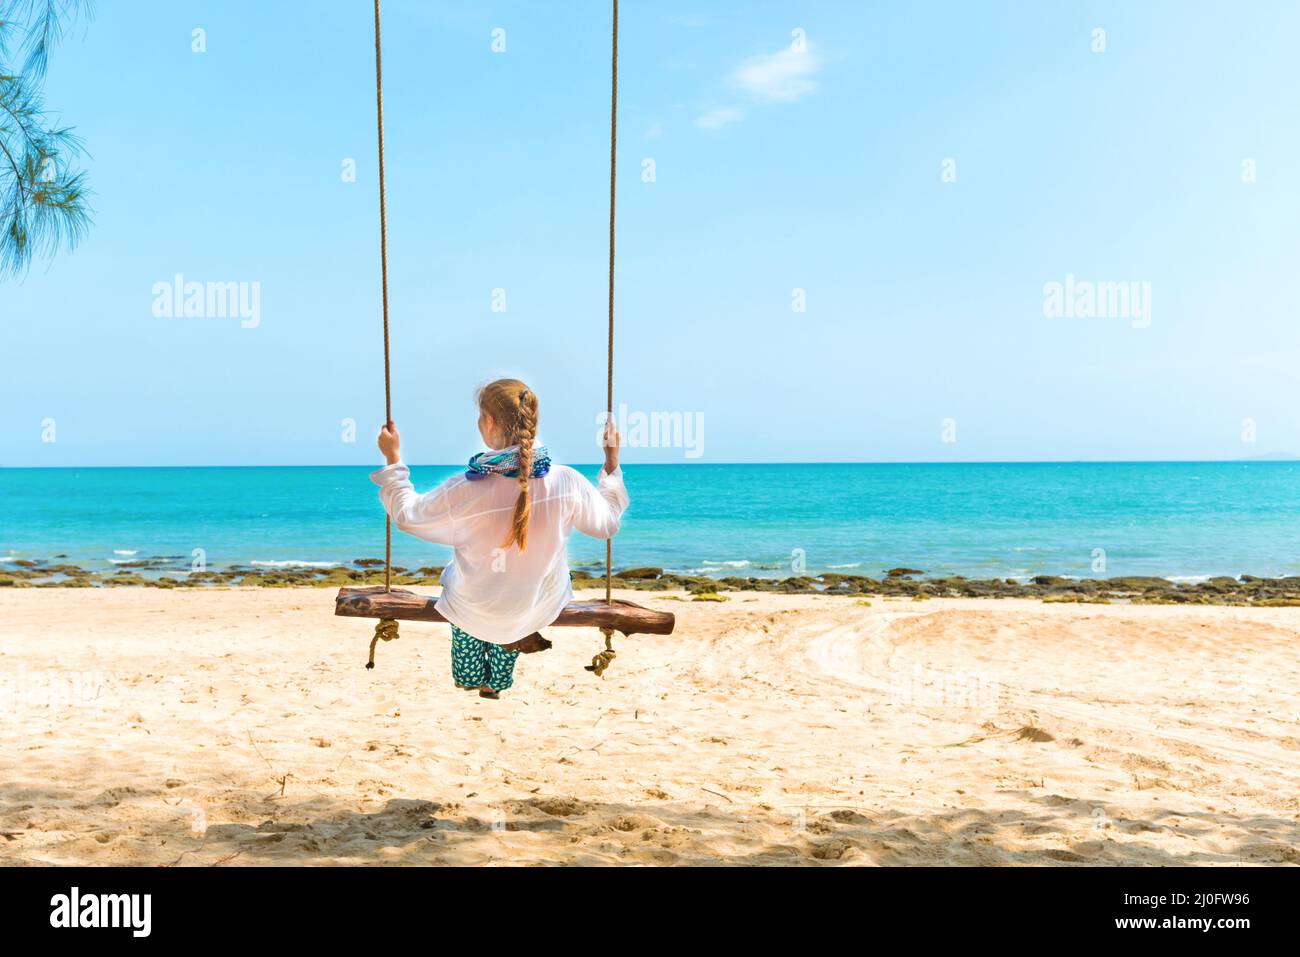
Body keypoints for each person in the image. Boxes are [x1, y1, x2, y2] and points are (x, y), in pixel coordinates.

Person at [373, 378, 625, 698]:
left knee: (467, 618)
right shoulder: (568, 482)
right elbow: (607, 525)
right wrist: (611, 461)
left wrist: (393, 458)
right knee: (535, 583)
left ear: (489, 422)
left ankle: (473, 674)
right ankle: (500, 669)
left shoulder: (464, 489)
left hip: (473, 609)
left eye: (480, 418)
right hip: (536, 607)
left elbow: (408, 516)